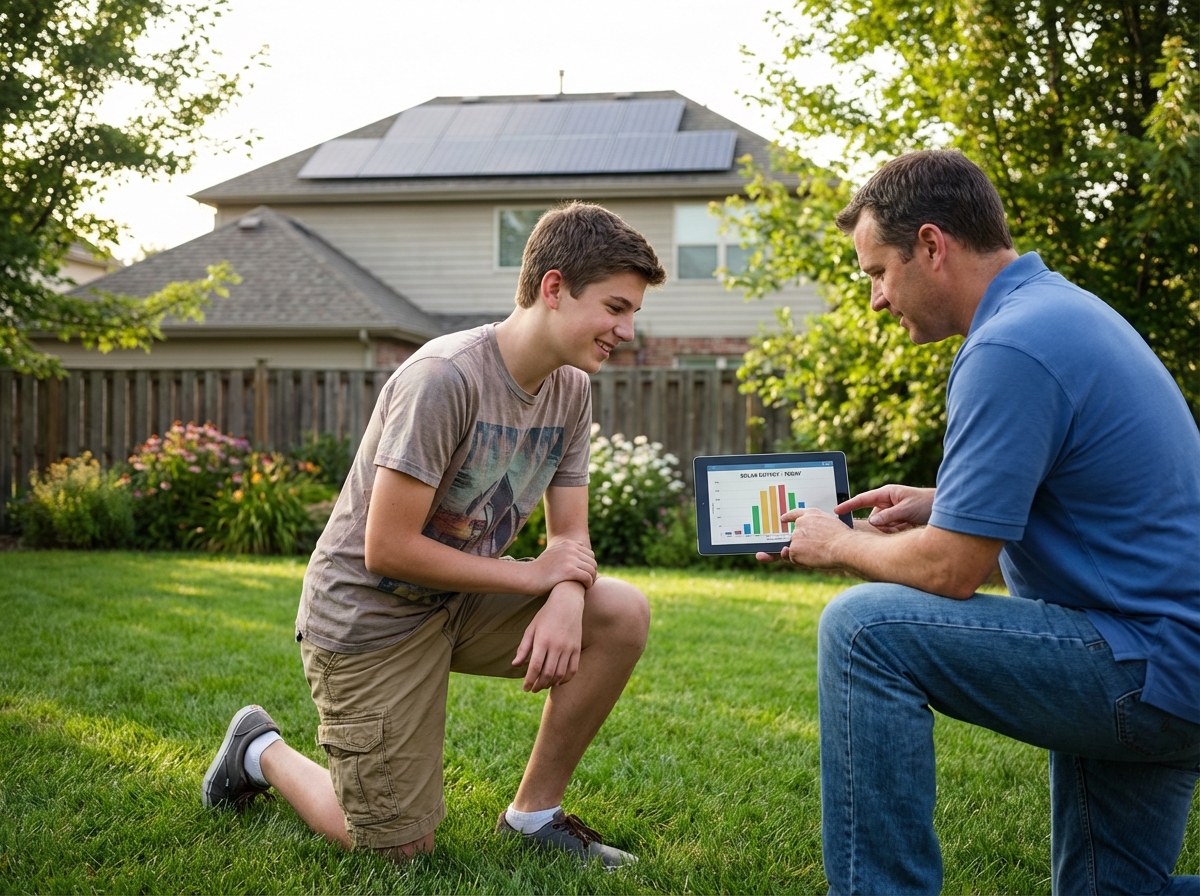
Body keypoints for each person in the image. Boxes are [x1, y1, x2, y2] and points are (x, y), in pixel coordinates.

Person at [761, 151, 1200, 895]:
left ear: (932, 246)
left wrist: (835, 544)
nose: (875, 299)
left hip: (1145, 662)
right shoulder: (1055, 311)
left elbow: (950, 571)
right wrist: (945, 505)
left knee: (863, 630)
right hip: (1165, 653)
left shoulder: (1009, 346)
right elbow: (1082, 496)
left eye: (876, 272)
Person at [201, 202, 666, 869]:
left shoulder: (570, 389)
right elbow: (387, 548)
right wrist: (535, 576)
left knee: (619, 612)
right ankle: (259, 749)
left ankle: (532, 816)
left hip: (459, 599)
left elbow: (571, 539)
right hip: (371, 620)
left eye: (633, 315)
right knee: (397, 850)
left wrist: (565, 595)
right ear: (555, 288)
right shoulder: (444, 378)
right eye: (616, 308)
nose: (625, 330)